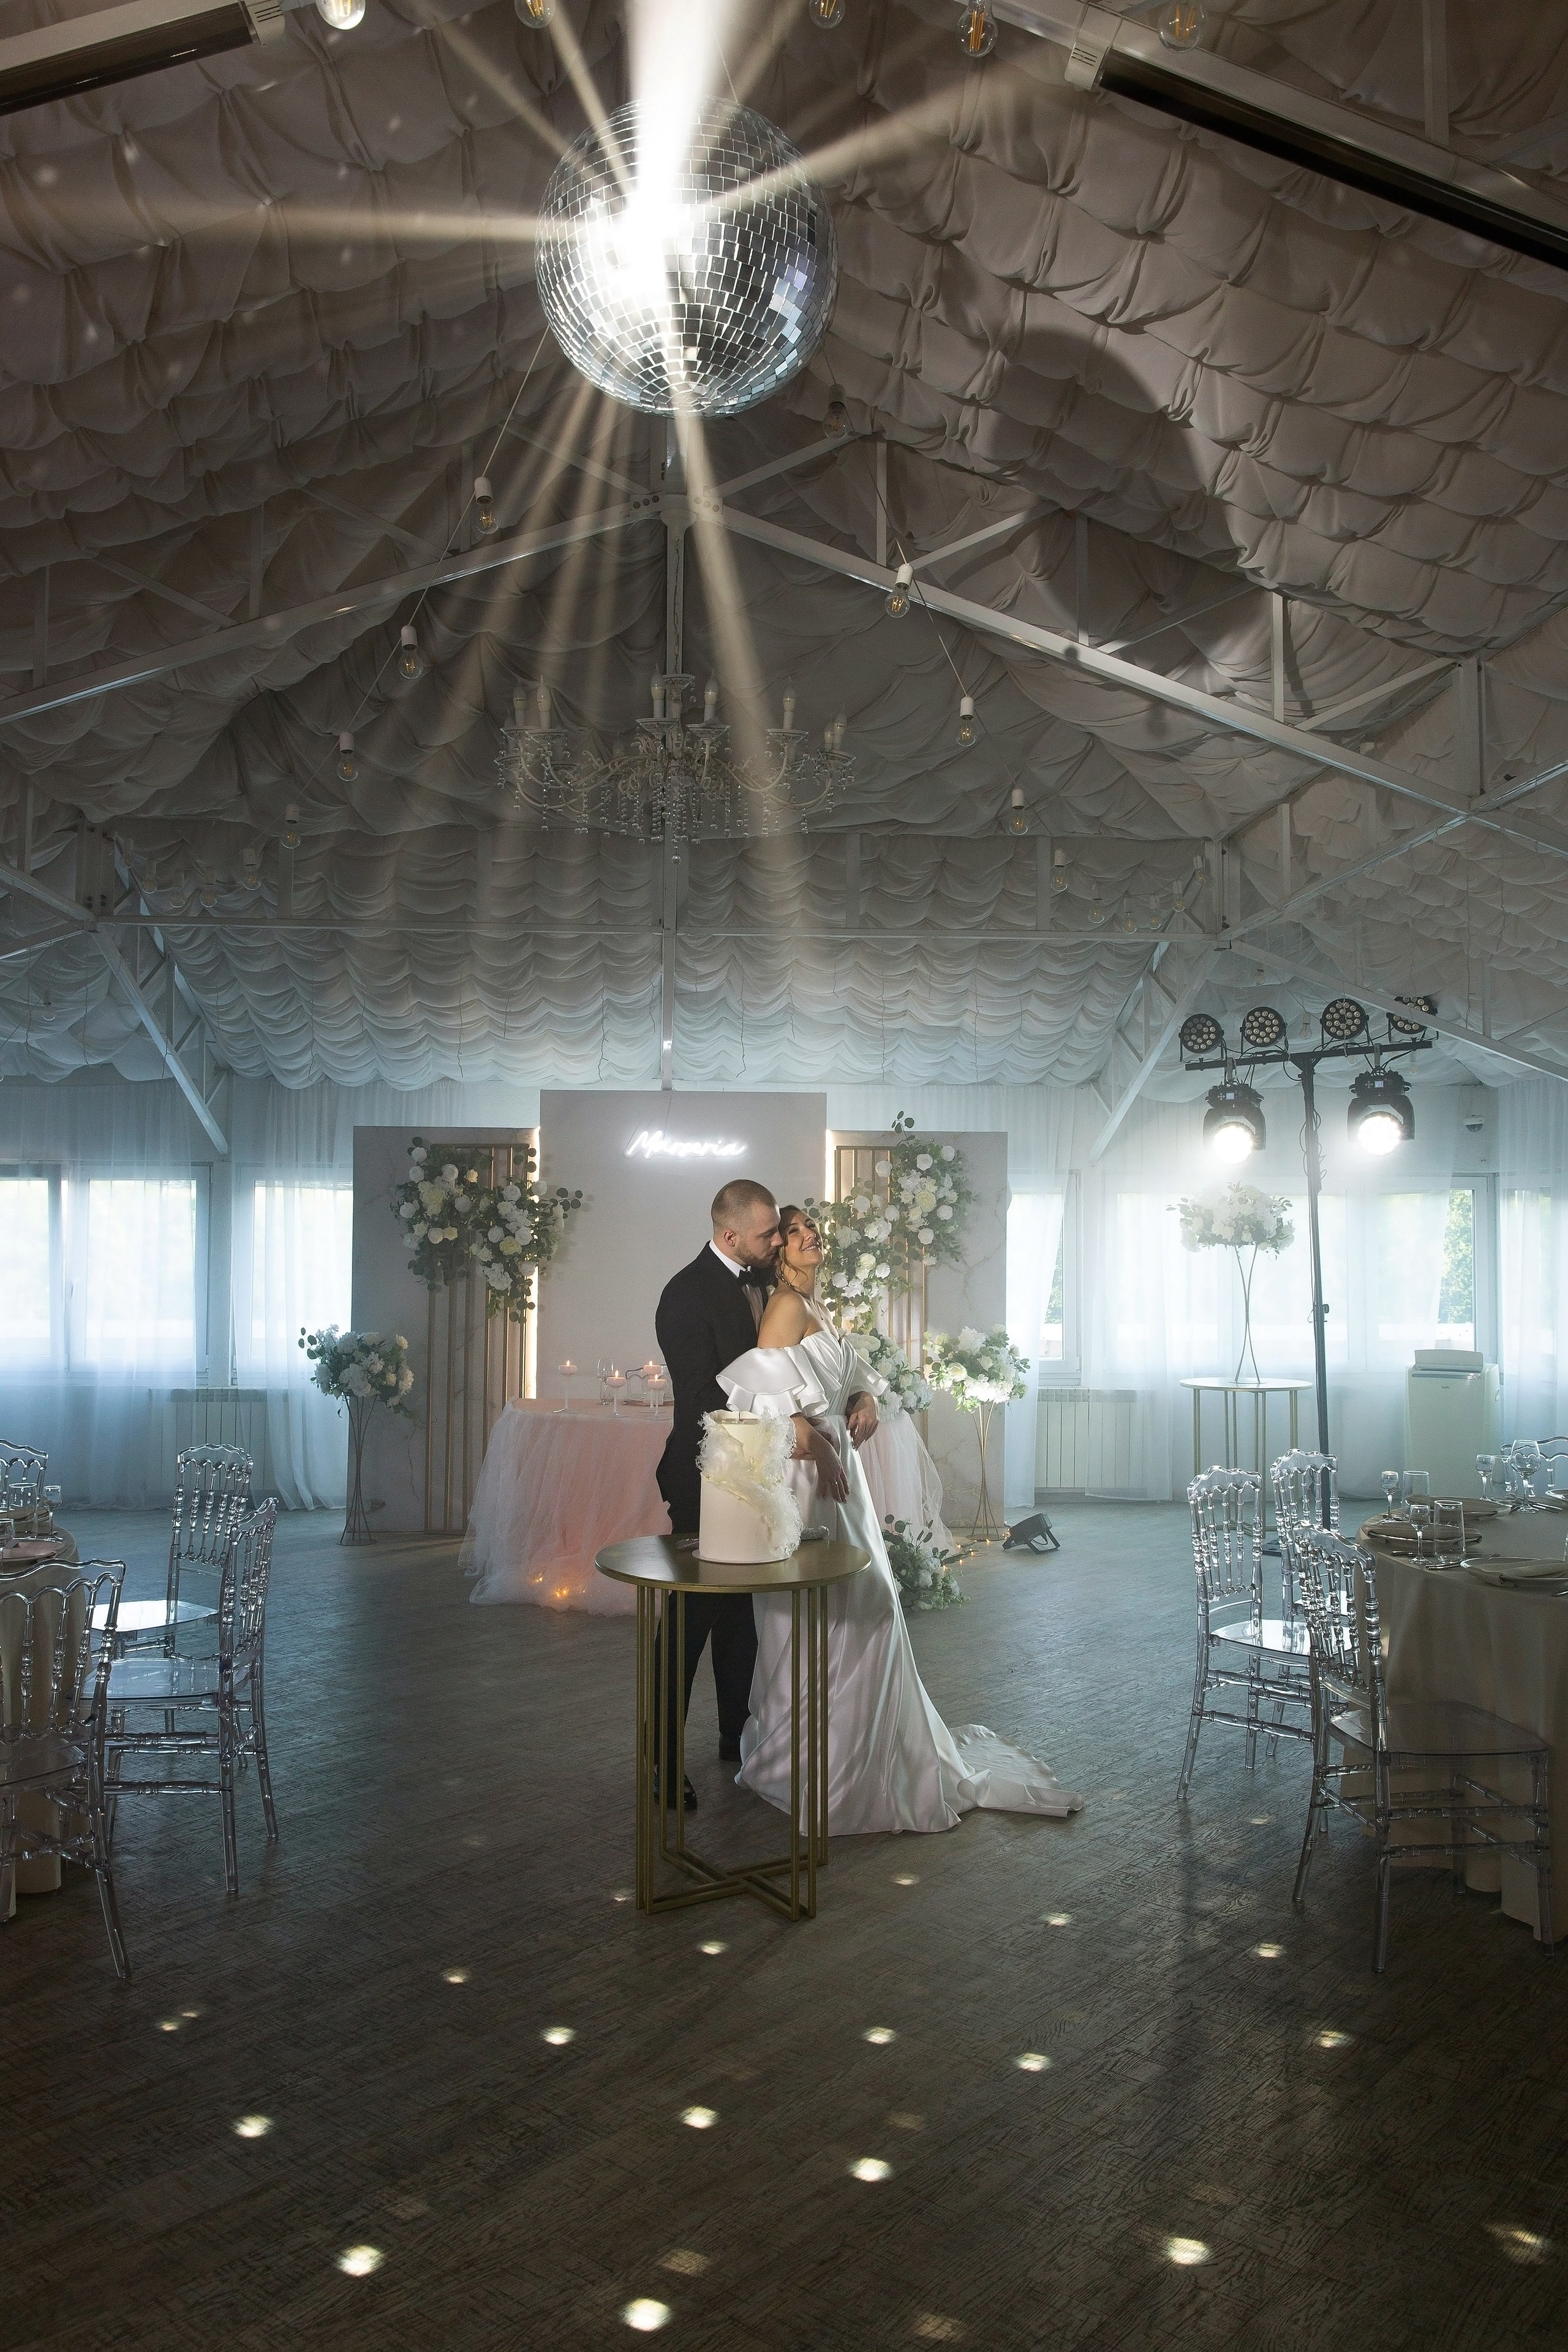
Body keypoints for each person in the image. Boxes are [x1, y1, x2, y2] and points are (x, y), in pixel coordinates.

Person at [717, 1206, 1083, 1834]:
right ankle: (822, 1764)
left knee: (854, 1608)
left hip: (838, 1475)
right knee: (842, 1611)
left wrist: (860, 1400)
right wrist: (827, 1445)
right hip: (812, 1477)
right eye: (796, 1229)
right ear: (777, 1247)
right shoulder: (783, 1305)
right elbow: (763, 1403)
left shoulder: (816, 1306)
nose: (811, 1236)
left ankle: (859, 1751)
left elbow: (845, 1379)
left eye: (814, 1228)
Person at [652, 1178, 845, 1804]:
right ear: (731, 1234)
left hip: (761, 1476)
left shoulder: (769, 1283)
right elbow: (706, 1400)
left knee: (743, 1621)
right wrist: (788, 1419)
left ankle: (736, 1738)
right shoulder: (684, 1295)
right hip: (707, 1477)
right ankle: (660, 1760)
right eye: (767, 1234)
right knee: (692, 1620)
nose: (774, 1242)